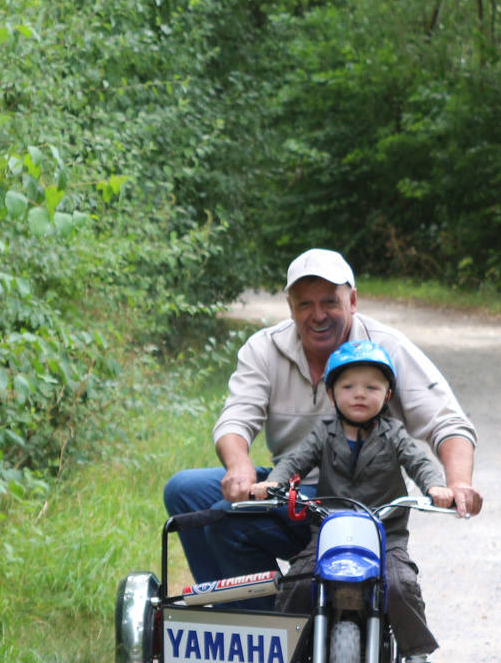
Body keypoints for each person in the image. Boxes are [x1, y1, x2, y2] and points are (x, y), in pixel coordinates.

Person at [162, 248, 482, 610]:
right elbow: (236, 418)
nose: (318, 315)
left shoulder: (386, 347)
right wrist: (239, 466)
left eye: (330, 302)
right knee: (184, 491)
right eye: (304, 304)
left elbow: (447, 422)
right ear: (289, 306)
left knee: (228, 522)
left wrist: (457, 484)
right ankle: (232, 614)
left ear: (353, 300)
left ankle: (271, 631)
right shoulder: (265, 348)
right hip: (290, 490)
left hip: (358, 501)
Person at [251, 340, 452, 663]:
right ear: (331, 394)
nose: (359, 394)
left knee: (400, 584)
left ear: (387, 394)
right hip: (332, 531)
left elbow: (420, 462)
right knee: (299, 581)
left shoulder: (394, 435)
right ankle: (285, 652)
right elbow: (295, 460)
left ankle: (418, 656)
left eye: (371, 387)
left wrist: (436, 487)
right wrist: (273, 482)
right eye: (348, 387)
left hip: (383, 535)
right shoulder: (324, 434)